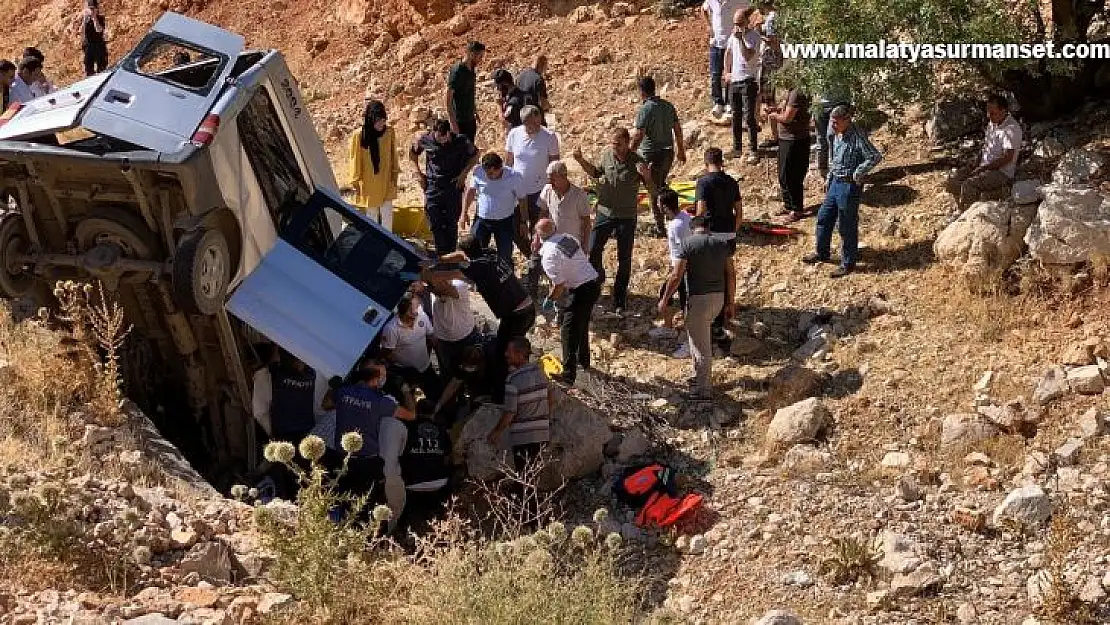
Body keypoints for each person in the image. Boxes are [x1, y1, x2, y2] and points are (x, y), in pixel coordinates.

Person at [431, 233, 536, 403]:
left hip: (515, 315)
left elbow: (453, 275)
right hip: (527, 307)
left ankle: (500, 397)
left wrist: (428, 273)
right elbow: (460, 256)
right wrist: (439, 259)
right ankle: (520, 378)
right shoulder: (489, 254)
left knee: (503, 355)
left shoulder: (478, 268)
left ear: (465, 254)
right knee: (513, 348)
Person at [326, 359, 416, 532]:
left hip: (342, 460)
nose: (383, 379)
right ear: (374, 378)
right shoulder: (381, 402)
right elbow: (411, 415)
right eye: (382, 375)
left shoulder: (343, 392)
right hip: (366, 463)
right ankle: (362, 540)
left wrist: (333, 388)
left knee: (341, 500)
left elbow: (327, 404)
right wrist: (406, 391)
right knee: (363, 506)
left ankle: (339, 534)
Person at [572, 129, 652, 316]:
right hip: (605, 212)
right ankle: (596, 281)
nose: (614, 147)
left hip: (626, 215)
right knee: (593, 248)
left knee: (624, 259)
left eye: (618, 144)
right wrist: (580, 160)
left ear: (626, 143)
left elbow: (653, 189)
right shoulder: (607, 156)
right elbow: (595, 172)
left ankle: (619, 296)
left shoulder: (637, 162)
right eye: (613, 144)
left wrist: (647, 176)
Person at [658, 216, 736, 401]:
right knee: (699, 339)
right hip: (718, 298)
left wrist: (665, 299)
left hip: (698, 300)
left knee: (700, 347)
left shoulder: (687, 244)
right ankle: (700, 379)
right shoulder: (721, 244)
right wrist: (730, 303)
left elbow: (676, 275)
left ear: (693, 229)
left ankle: (704, 391)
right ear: (708, 228)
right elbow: (731, 275)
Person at [803, 105, 883, 277]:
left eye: (836, 122)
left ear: (847, 120)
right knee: (824, 217)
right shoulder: (835, 134)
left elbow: (875, 156)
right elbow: (835, 158)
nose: (832, 125)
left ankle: (848, 263)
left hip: (848, 185)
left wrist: (859, 172)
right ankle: (822, 253)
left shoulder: (857, 136)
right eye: (831, 121)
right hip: (835, 183)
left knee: (846, 225)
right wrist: (830, 177)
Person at [536, 218, 601, 386]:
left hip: (581, 290)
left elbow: (559, 285)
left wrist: (550, 300)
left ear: (538, 236)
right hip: (592, 284)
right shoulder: (568, 238)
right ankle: (583, 361)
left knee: (568, 330)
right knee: (581, 323)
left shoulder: (548, 255)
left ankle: (568, 375)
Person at [506, 105, 561, 298]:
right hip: (517, 192)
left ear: (539, 119)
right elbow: (509, 161)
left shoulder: (549, 137)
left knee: (538, 233)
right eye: (526, 125)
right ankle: (532, 257)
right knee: (515, 229)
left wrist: (552, 190)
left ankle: (534, 279)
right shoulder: (514, 134)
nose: (530, 128)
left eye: (532, 124)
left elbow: (555, 164)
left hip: (540, 192)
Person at [695, 148, 743, 350]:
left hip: (711, 234)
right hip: (728, 233)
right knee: (729, 272)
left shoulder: (703, 182)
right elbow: (739, 211)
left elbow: (700, 211)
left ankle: (713, 320)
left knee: (712, 276)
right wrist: (733, 230)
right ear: (721, 162)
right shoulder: (732, 182)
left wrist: (697, 235)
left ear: (706, 163)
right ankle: (730, 305)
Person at [945, 95, 1022, 218]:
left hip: (1001, 172)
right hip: (984, 165)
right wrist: (975, 163)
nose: (988, 116)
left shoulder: (1011, 129)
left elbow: (1007, 157)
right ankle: (961, 208)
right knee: (954, 179)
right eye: (988, 112)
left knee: (969, 184)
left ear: (1003, 111)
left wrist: (984, 169)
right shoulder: (993, 123)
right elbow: (987, 147)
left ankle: (967, 217)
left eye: (992, 113)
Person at [409, 119, 479, 254]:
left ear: (449, 133)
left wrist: (464, 174)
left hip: (453, 187)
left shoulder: (461, 141)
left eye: (444, 137)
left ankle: (450, 255)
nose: (441, 140)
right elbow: (412, 154)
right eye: (438, 137)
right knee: (435, 223)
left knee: (451, 224)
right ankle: (441, 255)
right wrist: (417, 173)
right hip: (433, 187)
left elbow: (475, 155)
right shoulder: (426, 140)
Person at [632, 76, 686, 236]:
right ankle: (673, 214)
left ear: (641, 92)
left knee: (653, 191)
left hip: (650, 155)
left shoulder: (645, 109)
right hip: (668, 153)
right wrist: (681, 150)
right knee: (660, 184)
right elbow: (677, 129)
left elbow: (639, 134)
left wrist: (629, 153)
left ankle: (660, 227)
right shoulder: (668, 106)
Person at [487, 337, 552, 468]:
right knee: (533, 476)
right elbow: (552, 398)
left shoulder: (513, 379)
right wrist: (542, 418)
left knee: (522, 479)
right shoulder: (540, 372)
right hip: (542, 434)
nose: (505, 354)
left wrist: (497, 431)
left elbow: (510, 412)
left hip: (523, 438)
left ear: (520, 354)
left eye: (509, 351)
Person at [462, 152, 529, 265]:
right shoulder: (479, 172)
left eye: (492, 173)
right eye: (487, 172)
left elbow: (522, 200)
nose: (488, 176)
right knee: (474, 252)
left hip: (505, 222)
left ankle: (506, 280)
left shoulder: (514, 177)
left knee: (505, 254)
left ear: (500, 168)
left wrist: (523, 221)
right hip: (482, 220)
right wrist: (463, 213)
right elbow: (471, 192)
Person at [380, 292, 442, 403]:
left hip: (425, 367)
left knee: (437, 395)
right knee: (407, 400)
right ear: (402, 313)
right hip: (405, 372)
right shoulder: (391, 329)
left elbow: (431, 336)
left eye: (417, 309)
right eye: (412, 312)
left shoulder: (421, 315)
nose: (416, 315)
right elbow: (386, 353)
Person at [347, 100, 400, 230]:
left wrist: (395, 173)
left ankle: (388, 244)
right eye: (379, 121)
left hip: (386, 180)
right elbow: (355, 159)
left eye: (383, 120)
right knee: (372, 215)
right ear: (371, 119)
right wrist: (355, 181)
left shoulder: (389, 133)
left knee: (387, 214)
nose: (382, 123)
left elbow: (393, 154)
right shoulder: (359, 136)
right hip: (369, 182)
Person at [767, 85, 811, 222]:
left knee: (792, 176)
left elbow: (787, 118)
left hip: (795, 139)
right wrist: (777, 110)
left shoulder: (797, 92)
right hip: (786, 138)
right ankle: (788, 204)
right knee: (783, 174)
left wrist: (774, 116)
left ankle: (797, 209)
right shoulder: (791, 91)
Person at [723, 7, 762, 164]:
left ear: (747, 21)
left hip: (748, 80)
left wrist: (740, 39)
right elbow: (728, 53)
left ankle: (753, 149)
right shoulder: (733, 37)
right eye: (735, 23)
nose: (737, 26)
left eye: (740, 23)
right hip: (735, 81)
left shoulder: (753, 37)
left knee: (750, 117)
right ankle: (737, 148)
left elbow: (747, 56)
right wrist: (726, 72)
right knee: (736, 115)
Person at [702, 0, 748, 117]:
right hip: (716, 43)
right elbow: (703, 9)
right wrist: (708, 26)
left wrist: (742, 27)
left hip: (732, 44)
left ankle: (729, 102)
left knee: (730, 74)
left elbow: (749, 9)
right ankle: (718, 102)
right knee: (715, 75)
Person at [426, 275, 479, 375]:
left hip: (466, 337)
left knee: (471, 369)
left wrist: (427, 282)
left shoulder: (460, 285)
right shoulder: (434, 289)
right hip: (444, 341)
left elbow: (444, 290)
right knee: (449, 371)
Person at [432, 339, 497, 420]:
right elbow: (453, 385)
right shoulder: (462, 358)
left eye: (469, 367)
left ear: (477, 366)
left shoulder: (493, 359)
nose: (464, 368)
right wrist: (439, 404)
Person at [538, 160, 592, 247]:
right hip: (552, 242)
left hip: (572, 244)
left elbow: (586, 221)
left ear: (564, 176)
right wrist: (538, 237)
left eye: (553, 180)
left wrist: (585, 244)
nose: (551, 183)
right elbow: (543, 213)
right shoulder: (547, 190)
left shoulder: (579, 195)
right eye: (549, 180)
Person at [659, 188, 691, 332]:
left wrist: (676, 273)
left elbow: (682, 251)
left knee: (677, 298)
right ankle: (668, 325)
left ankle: (687, 338)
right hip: (685, 266)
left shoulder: (675, 227)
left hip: (684, 269)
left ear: (664, 207)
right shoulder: (685, 217)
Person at [756, 0, 782, 149]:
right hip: (775, 62)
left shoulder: (772, 19)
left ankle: (775, 135)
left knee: (769, 99)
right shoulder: (779, 16)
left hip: (769, 63)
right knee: (769, 98)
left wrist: (759, 34)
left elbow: (773, 42)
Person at [446, 41, 485, 142]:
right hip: (459, 121)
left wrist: (474, 110)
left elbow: (470, 90)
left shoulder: (472, 68)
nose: (481, 59)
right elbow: (448, 98)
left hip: (470, 118)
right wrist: (453, 123)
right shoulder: (457, 70)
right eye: (480, 56)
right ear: (472, 54)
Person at [75, 0, 108, 77]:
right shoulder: (84, 20)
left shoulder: (100, 18)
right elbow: (81, 33)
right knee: (89, 69)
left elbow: (99, 30)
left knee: (102, 68)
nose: (91, 11)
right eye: (90, 9)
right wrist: (84, 21)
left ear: (97, 9)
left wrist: (94, 18)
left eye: (93, 9)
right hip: (88, 47)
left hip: (99, 46)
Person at [515, 55, 550, 125]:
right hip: (535, 120)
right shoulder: (538, 79)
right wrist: (548, 107)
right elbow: (543, 103)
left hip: (521, 118)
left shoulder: (521, 76)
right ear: (542, 65)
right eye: (546, 66)